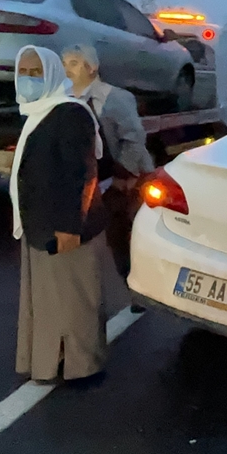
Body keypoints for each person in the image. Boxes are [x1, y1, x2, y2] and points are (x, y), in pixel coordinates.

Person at [10, 45, 109, 384]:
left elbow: (81, 173)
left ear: (52, 74)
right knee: (51, 301)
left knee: (73, 300)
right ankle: (53, 362)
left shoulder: (70, 113)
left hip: (67, 229)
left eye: (35, 73)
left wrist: (69, 227)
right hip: (41, 225)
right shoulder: (37, 113)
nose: (27, 80)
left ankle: (81, 365)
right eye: (23, 73)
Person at [61, 44, 155, 285]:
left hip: (126, 177)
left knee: (127, 232)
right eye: (64, 64)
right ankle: (129, 279)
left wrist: (124, 177)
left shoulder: (116, 98)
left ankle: (140, 283)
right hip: (99, 178)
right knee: (112, 235)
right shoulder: (67, 100)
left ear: (92, 67)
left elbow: (134, 140)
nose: (67, 70)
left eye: (73, 63)